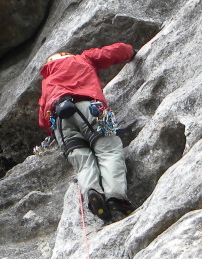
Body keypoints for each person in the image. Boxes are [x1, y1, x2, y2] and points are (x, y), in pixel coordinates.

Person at [38, 42, 135, 222]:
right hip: (88, 108)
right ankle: (116, 197)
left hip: (60, 120)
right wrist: (129, 51)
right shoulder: (82, 58)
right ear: (67, 55)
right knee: (108, 151)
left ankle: (92, 191)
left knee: (83, 162)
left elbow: (43, 120)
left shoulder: (47, 82)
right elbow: (110, 52)